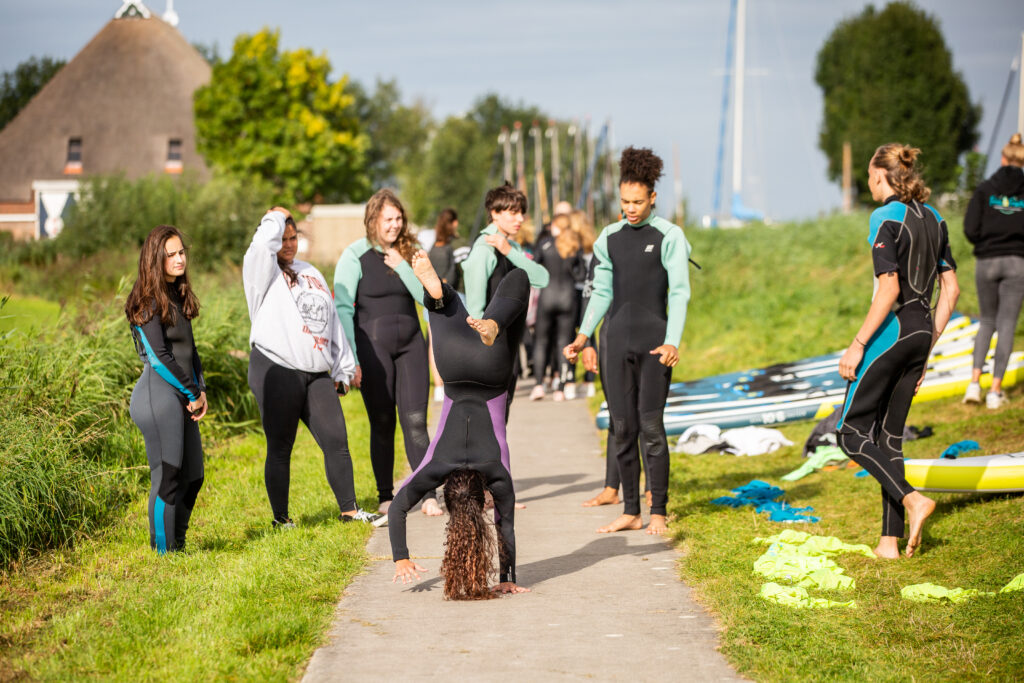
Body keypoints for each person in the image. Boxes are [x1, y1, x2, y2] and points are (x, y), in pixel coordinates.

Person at [835, 143, 959, 559]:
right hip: (922, 333)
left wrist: (858, 345)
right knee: (889, 439)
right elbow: (952, 289)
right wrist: (927, 347)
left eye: (870, 177)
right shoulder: (937, 219)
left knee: (849, 433)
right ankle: (889, 542)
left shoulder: (884, 217)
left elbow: (888, 289)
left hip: (893, 332)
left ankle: (913, 498)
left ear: (878, 176)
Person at [564, 147, 691, 536]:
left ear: (653, 197)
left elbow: (679, 293)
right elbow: (601, 292)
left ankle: (659, 511)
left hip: (654, 343)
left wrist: (673, 341)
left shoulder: (669, 235)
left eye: (637, 201)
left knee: (651, 426)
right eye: (624, 201)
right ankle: (631, 510)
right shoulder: (609, 237)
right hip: (615, 341)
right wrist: (584, 335)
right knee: (621, 427)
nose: (630, 209)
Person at [390, 253, 530, 598]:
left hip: (492, 368)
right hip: (452, 362)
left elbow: (505, 524)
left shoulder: (496, 472)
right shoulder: (437, 464)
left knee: (520, 279)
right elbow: (397, 509)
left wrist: (508, 575)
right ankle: (439, 295)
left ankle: (487, 318)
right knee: (445, 309)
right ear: (449, 494)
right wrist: (400, 558)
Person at [244, 208, 381, 527]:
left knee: (336, 438)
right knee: (280, 446)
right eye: (283, 239)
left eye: (293, 238)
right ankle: (281, 519)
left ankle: (350, 511)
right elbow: (263, 243)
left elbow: (331, 323)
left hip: (316, 372)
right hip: (275, 366)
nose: (288, 244)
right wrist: (276, 216)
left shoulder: (311, 272)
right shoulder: (261, 272)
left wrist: (344, 367)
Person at [334, 190, 438, 516]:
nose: (395, 225)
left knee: (417, 421)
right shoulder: (354, 255)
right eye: (388, 220)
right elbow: (342, 308)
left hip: (411, 346)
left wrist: (404, 266)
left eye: (398, 219)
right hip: (372, 349)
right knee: (382, 422)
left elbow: (429, 299)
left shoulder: (413, 253)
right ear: (373, 220)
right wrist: (350, 358)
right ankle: (385, 494)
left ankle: (428, 493)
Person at [126, 225, 208, 554]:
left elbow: (191, 350)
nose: (179, 259)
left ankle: (178, 544)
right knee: (169, 475)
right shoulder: (146, 302)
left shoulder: (177, 295)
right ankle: (164, 554)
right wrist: (192, 393)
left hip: (184, 395)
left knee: (194, 475)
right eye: (170, 254)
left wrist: (200, 388)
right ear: (155, 259)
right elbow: (159, 360)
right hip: (158, 397)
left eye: (181, 252)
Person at [461, 182, 550, 418]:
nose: (519, 218)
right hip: (490, 349)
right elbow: (475, 307)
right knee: (491, 419)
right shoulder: (483, 250)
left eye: (521, 212)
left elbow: (542, 278)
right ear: (494, 214)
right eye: (512, 212)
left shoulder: (512, 247)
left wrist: (509, 251)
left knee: (503, 414)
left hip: (510, 346)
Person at [962, 133, 1024, 409]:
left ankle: (974, 383)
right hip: (1017, 262)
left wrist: (985, 244)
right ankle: (995, 391)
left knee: (987, 321)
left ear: (1002, 158)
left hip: (986, 261)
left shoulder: (985, 189)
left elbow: (969, 227)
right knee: (1007, 323)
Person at [530, 209, 585, 401]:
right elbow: (581, 276)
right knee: (564, 343)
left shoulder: (545, 244)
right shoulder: (573, 246)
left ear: (556, 227)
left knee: (541, 341)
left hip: (547, 297)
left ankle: (538, 385)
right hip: (568, 299)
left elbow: (533, 268)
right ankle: (560, 389)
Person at [428, 208, 459, 403]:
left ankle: (438, 386)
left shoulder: (433, 247)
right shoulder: (450, 247)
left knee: (433, 344)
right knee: (452, 341)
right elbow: (453, 273)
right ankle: (451, 382)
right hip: (448, 298)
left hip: (430, 299)